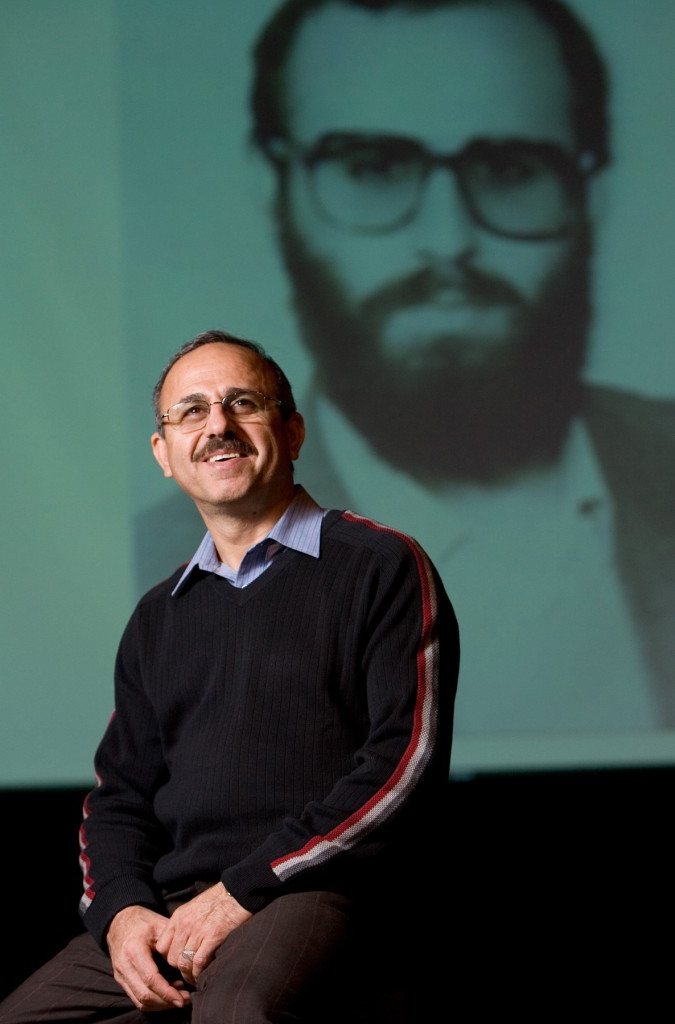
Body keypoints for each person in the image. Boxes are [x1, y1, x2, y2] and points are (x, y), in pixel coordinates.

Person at [0, 330, 459, 1023]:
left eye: (243, 403)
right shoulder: (158, 615)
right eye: (191, 411)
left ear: (293, 431)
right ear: (164, 455)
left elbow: (403, 766)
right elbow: (119, 799)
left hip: (317, 891)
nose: (217, 426)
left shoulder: (380, 565)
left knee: (237, 1011)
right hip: (176, 906)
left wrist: (242, 889)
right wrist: (123, 915)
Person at [243, 0, 673, 733]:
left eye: (509, 168)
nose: (447, 243)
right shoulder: (165, 566)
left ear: (589, 193)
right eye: (372, 167)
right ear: (275, 193)